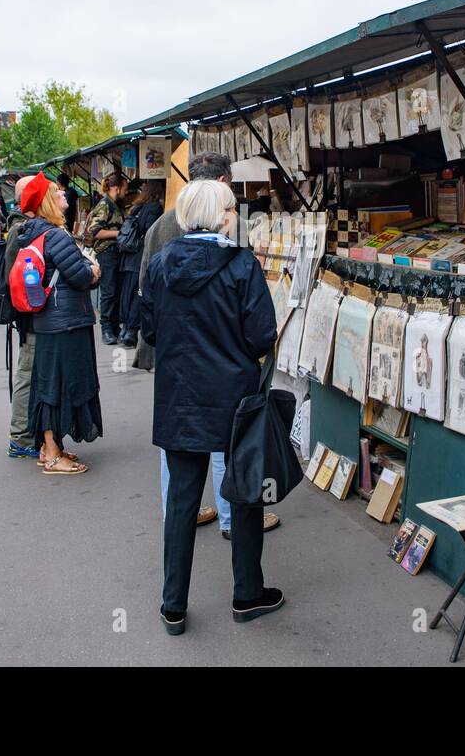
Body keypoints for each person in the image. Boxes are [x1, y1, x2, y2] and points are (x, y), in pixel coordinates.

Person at [142, 178, 283, 635]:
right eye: (232, 208)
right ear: (222, 215)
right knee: (244, 495)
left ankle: (173, 607)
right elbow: (263, 334)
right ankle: (247, 594)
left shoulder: (162, 265)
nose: (235, 215)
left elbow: (148, 328)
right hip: (235, 399)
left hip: (180, 398)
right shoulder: (242, 265)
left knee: (182, 502)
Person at [23, 173, 102, 475]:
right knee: (58, 385)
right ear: (48, 201)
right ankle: (53, 454)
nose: (65, 196)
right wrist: (94, 270)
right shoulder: (55, 235)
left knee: (49, 383)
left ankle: (48, 447)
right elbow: (81, 276)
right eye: (58, 193)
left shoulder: (34, 232)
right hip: (65, 322)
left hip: (50, 321)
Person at [4, 176, 41, 459]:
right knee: (28, 373)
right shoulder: (22, 231)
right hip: (29, 315)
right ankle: (21, 437)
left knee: (30, 371)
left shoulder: (18, 228)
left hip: (27, 314)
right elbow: (16, 278)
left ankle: (27, 433)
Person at [116, 180, 164, 348]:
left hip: (129, 256)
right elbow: (151, 230)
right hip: (140, 255)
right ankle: (131, 332)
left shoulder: (136, 206)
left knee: (128, 293)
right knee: (139, 293)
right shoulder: (155, 208)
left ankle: (125, 330)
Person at [85, 173, 129, 345]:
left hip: (116, 252)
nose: (126, 192)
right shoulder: (105, 205)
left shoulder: (115, 205)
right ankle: (106, 329)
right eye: (124, 189)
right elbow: (94, 231)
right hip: (107, 252)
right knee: (109, 291)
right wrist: (119, 234)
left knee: (116, 291)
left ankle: (114, 327)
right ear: (116, 188)